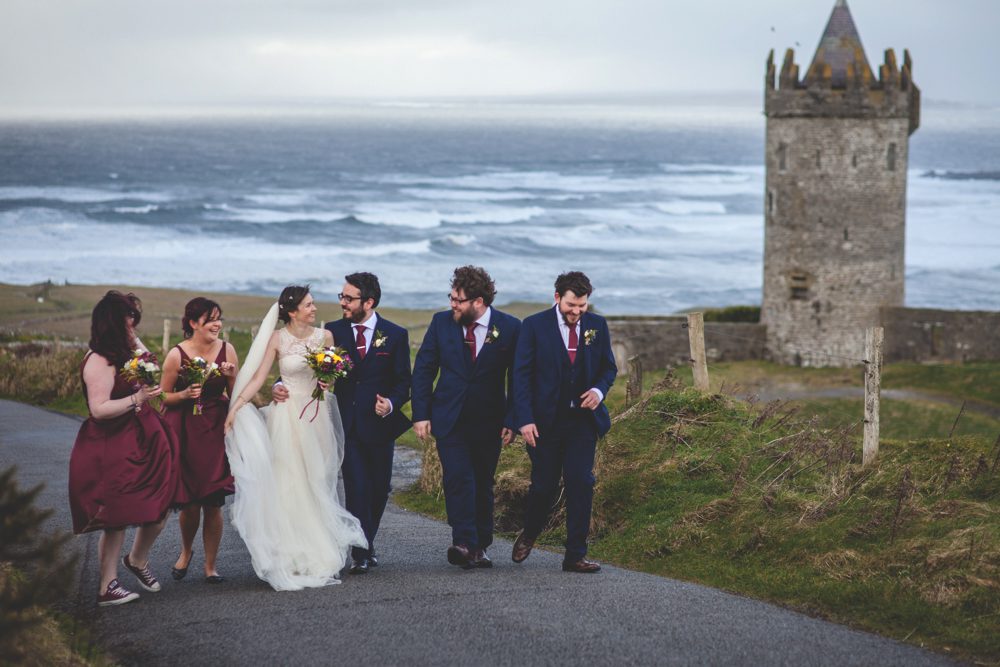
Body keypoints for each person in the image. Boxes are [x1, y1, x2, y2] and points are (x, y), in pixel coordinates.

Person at [223, 285, 366, 591]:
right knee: (289, 482)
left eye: (313, 304)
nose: (314, 308)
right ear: (292, 311)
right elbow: (259, 378)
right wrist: (237, 406)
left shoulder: (325, 337)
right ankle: (290, 554)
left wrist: (328, 381)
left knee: (316, 480)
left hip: (317, 416)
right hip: (286, 418)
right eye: (308, 304)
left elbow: (333, 377)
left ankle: (317, 550)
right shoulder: (277, 339)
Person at [276, 273, 412, 574]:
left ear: (369, 302)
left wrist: (390, 403)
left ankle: (367, 542)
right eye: (342, 296)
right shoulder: (332, 332)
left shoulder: (395, 334)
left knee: (380, 489)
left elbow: (404, 381)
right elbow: (300, 365)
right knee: (356, 487)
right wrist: (278, 384)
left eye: (349, 298)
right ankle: (360, 552)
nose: (342, 303)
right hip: (345, 423)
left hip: (380, 425)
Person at [69, 290, 181, 606]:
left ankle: (137, 559)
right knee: (116, 516)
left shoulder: (123, 353)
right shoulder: (99, 360)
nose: (133, 323)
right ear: (112, 322)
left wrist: (134, 340)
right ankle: (108, 585)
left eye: (134, 318)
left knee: (160, 506)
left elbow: (150, 365)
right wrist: (137, 398)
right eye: (128, 318)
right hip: (112, 444)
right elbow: (99, 409)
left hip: (142, 438)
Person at [411, 266, 520, 569]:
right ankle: (462, 542)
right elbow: (424, 370)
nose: (452, 305)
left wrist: (512, 419)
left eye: (458, 300)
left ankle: (480, 545)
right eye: (451, 298)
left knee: (482, 481)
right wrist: (421, 414)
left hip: (490, 420)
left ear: (479, 302)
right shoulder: (441, 323)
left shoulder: (510, 327)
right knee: (458, 478)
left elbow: (518, 378)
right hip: (449, 417)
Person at [510, 271, 617, 573]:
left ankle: (575, 555)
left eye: (582, 306)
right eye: (571, 305)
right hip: (544, 423)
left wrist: (598, 391)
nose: (576, 311)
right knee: (543, 485)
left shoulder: (597, 325)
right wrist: (524, 419)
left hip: (582, 422)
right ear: (557, 297)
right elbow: (520, 376)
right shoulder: (533, 326)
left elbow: (608, 368)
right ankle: (530, 532)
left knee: (581, 482)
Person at [160, 298, 238, 584]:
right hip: (185, 431)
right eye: (210, 319)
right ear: (193, 323)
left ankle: (210, 566)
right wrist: (183, 395)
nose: (217, 324)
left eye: (219, 319)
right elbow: (163, 396)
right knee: (191, 503)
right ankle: (186, 551)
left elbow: (236, 393)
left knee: (214, 502)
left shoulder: (228, 350)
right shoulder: (176, 355)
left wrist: (232, 376)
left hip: (216, 430)